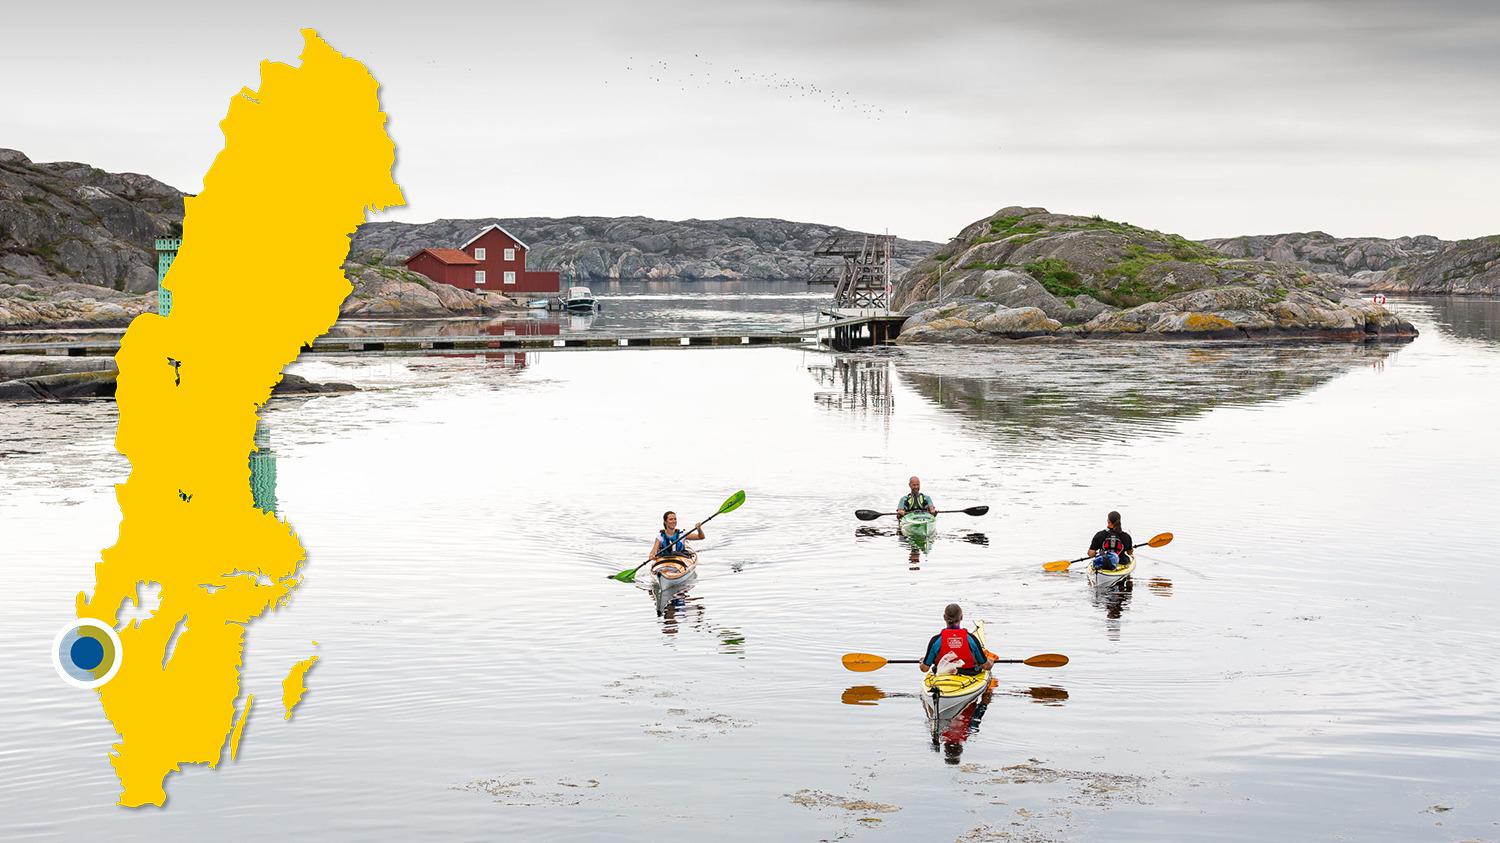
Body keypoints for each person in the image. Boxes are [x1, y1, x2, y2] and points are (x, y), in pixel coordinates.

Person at [921, 603, 995, 676]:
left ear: (944, 617)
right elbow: (986, 666)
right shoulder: (971, 639)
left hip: (942, 675)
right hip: (969, 674)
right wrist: (991, 661)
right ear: (961, 617)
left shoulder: (936, 640)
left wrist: (922, 662)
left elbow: (924, 669)